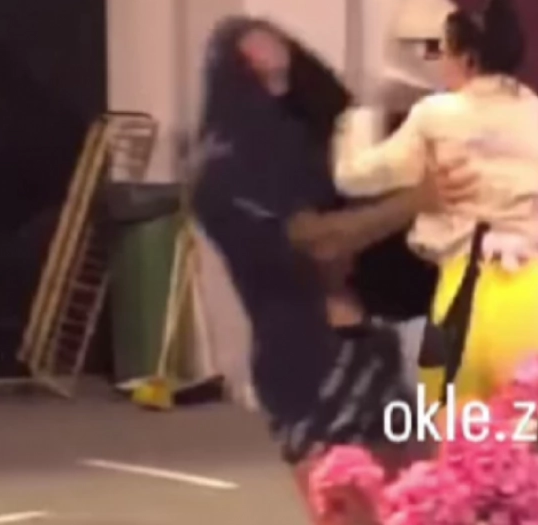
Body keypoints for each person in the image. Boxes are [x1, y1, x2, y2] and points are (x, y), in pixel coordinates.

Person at [191, 15, 474, 520]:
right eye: (254, 55)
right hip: (304, 366)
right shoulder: (222, 172)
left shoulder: (308, 142)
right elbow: (317, 241)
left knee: (425, 504)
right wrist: (417, 199)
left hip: (369, 348)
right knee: (351, 510)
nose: (270, 57)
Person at [331, 0, 538, 406]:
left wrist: (357, 120)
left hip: (457, 294)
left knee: (453, 427)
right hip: (526, 297)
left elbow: (355, 176)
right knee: (528, 428)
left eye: (445, 52)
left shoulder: (436, 117)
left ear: (467, 59)